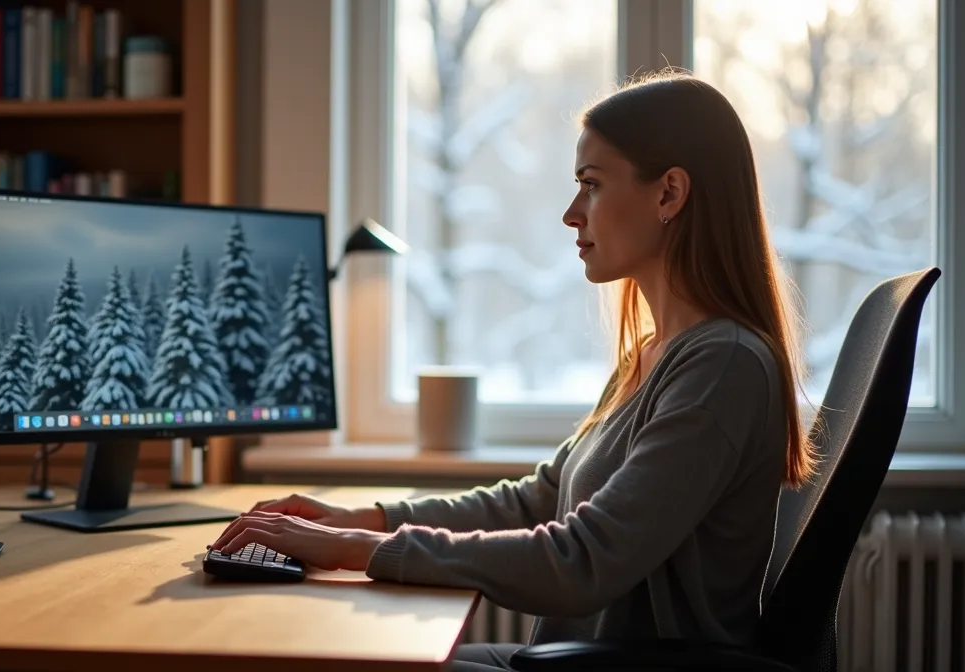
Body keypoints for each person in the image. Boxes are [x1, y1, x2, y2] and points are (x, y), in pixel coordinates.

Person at [211, 69, 818, 671]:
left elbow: (583, 562)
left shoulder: (723, 365)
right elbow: (538, 500)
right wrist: (362, 519)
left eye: (591, 185)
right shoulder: (653, 353)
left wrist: (354, 548)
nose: (571, 213)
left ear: (669, 194)